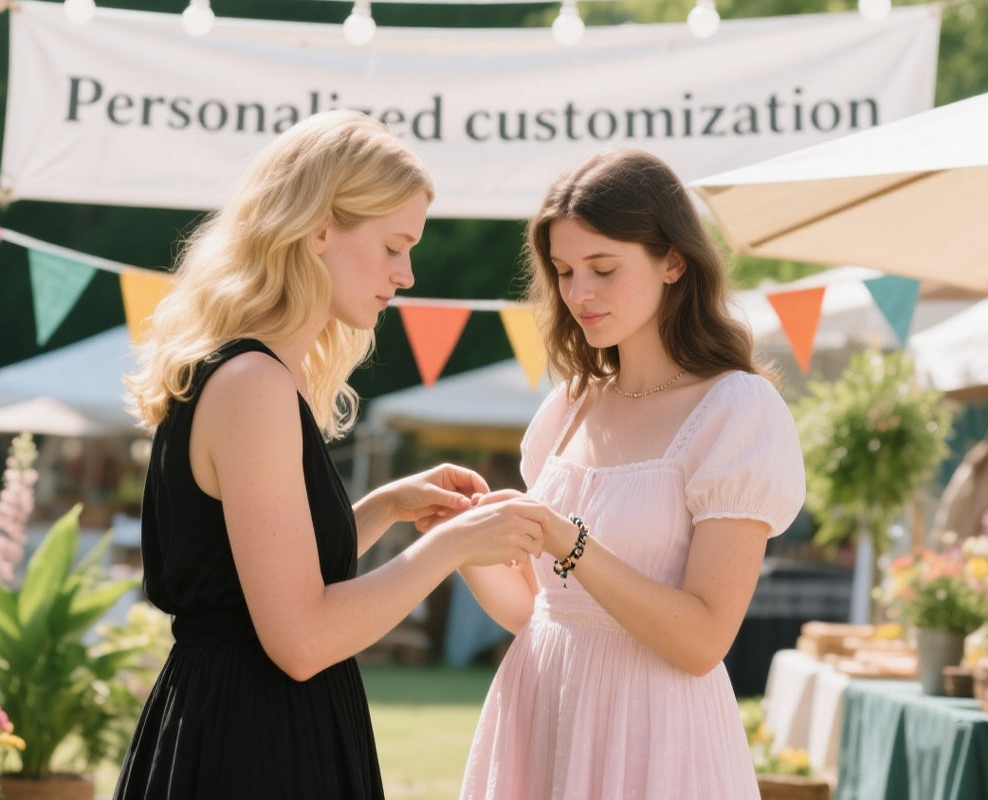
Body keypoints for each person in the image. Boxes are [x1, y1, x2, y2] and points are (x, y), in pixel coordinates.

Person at [113, 110, 549, 799]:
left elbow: (253, 570)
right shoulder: (253, 384)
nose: (406, 275)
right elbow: (301, 639)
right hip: (253, 745)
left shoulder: (249, 375)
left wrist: (386, 508)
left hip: (242, 723)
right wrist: (453, 546)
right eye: (393, 246)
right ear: (319, 230)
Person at [458, 149, 807, 799]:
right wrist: (463, 539)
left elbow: (703, 640)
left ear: (673, 260)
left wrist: (572, 541)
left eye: (603, 267)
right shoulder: (567, 407)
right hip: (540, 713)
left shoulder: (736, 411)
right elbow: (539, 613)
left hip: (655, 739)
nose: (578, 293)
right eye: (564, 271)